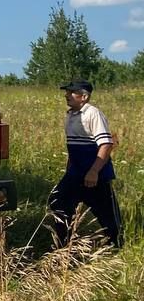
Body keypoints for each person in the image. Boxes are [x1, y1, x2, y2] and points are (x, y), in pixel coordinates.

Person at [48, 79, 123, 249]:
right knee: (58, 201)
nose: (66, 95)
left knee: (106, 213)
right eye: (66, 92)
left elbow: (106, 144)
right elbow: (74, 147)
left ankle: (118, 246)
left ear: (84, 97)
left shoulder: (93, 114)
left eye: (71, 92)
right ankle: (63, 247)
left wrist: (94, 171)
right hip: (76, 173)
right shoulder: (71, 115)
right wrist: (69, 169)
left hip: (94, 175)